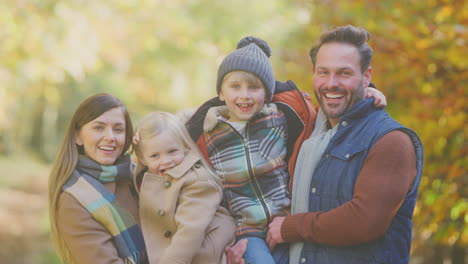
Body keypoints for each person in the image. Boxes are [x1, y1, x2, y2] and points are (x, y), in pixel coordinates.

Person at [185, 36, 387, 264]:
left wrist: (369, 90)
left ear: (267, 92)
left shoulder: (280, 117)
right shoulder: (208, 132)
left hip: (287, 222)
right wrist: (144, 138)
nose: (245, 95)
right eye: (235, 87)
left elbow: (330, 109)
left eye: (254, 87)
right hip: (247, 232)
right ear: (221, 93)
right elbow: (170, 139)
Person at [266, 25, 424, 264]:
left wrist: (289, 227)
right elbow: (242, 95)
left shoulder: (392, 141)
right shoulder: (309, 132)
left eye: (344, 73)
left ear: (367, 76)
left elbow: (364, 221)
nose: (331, 83)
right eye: (323, 72)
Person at [48, 93, 148, 264]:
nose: (110, 137)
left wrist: (148, 149)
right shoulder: (73, 199)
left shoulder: (138, 175)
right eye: (99, 127)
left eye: (118, 129)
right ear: (77, 136)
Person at [132, 112, 235, 264]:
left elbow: (190, 232)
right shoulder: (146, 176)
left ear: (185, 146)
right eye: (155, 156)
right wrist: (131, 141)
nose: (166, 161)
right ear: (142, 158)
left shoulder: (198, 180)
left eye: (172, 151)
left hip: (201, 253)